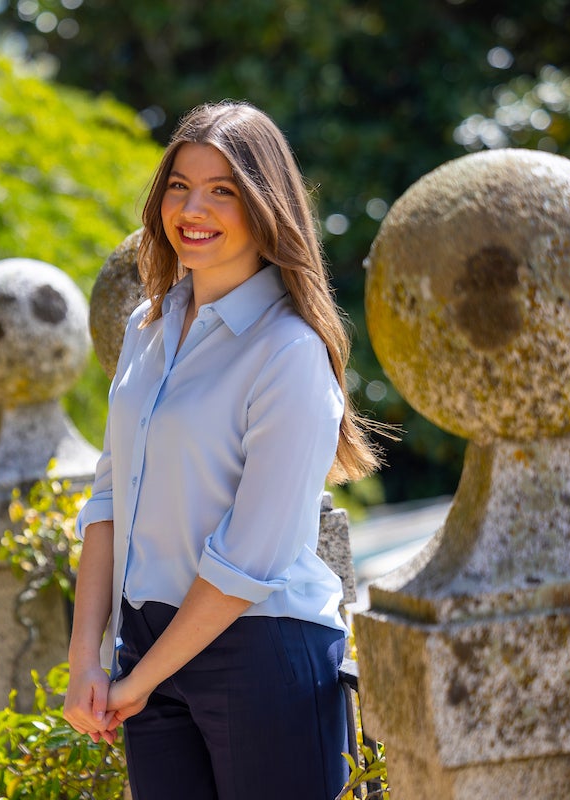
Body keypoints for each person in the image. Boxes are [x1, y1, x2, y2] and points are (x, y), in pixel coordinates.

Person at [62, 100, 383, 800]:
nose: (192, 208)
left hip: (259, 652)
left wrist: (137, 683)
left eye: (222, 190)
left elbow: (249, 559)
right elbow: (109, 499)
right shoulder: (146, 328)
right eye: (179, 186)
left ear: (266, 207)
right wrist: (86, 658)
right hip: (146, 644)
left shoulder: (289, 351)